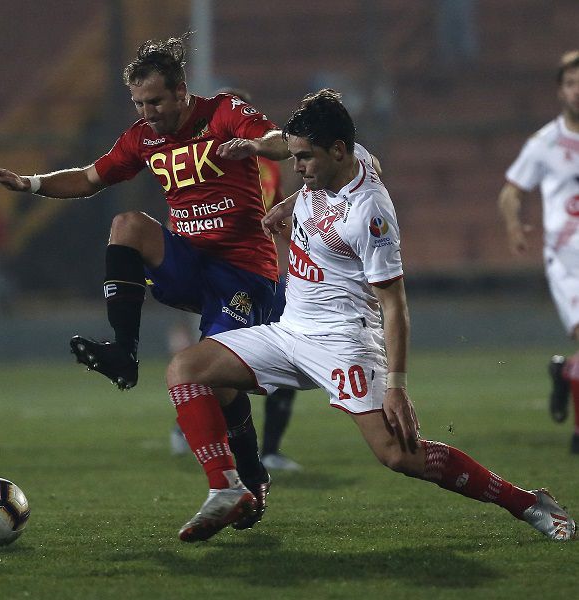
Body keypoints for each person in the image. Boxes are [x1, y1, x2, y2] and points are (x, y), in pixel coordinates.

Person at [164, 88, 576, 543]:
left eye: (304, 158)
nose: (296, 167)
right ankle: (229, 487)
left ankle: (528, 502)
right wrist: (288, 197)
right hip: (290, 329)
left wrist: (397, 386)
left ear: (337, 151)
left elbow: (394, 304)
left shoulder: (371, 214)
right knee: (190, 369)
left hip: (344, 340)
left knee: (398, 456)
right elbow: (321, 161)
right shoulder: (342, 159)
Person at [0, 33, 290, 529]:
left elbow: (281, 142)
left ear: (182, 90)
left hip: (243, 272)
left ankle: (249, 481)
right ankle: (125, 351)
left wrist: (255, 144)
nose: (149, 112)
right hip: (190, 264)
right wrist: (30, 184)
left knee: (216, 379)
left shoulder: (223, 111)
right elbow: (89, 177)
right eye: (141, 103)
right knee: (127, 225)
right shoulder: (143, 137)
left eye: (157, 101)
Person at [168, 87, 303, 471]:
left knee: (290, 356)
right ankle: (191, 427)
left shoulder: (268, 164)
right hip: (221, 274)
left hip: (266, 275)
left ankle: (271, 450)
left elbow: (276, 216)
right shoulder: (200, 160)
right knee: (217, 361)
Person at [499, 50, 579, 454]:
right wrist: (514, 225)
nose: (577, 90)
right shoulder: (545, 142)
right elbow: (510, 192)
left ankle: (567, 370)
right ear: (560, 90)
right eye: (570, 83)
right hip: (567, 260)